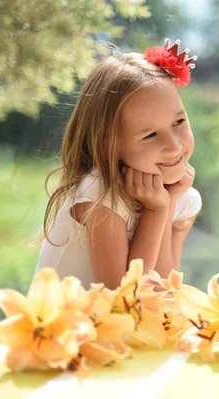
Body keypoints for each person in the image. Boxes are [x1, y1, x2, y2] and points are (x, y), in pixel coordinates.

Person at [35, 39, 201, 289]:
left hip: (123, 326)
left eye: (179, 122)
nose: (175, 146)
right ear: (107, 144)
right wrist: (155, 211)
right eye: (150, 135)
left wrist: (168, 206)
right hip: (67, 326)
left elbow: (164, 289)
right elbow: (122, 296)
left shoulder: (184, 199)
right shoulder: (99, 197)